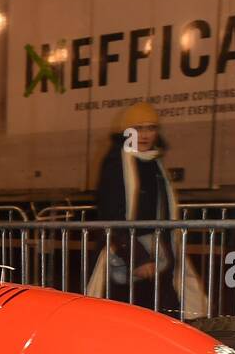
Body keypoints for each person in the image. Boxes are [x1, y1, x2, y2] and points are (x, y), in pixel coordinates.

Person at [87, 102, 207, 317]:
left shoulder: (154, 162)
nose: (144, 135)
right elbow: (111, 214)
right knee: (127, 315)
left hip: (158, 255)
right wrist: (138, 258)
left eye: (150, 128)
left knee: (160, 313)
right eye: (137, 128)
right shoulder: (115, 163)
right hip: (128, 255)